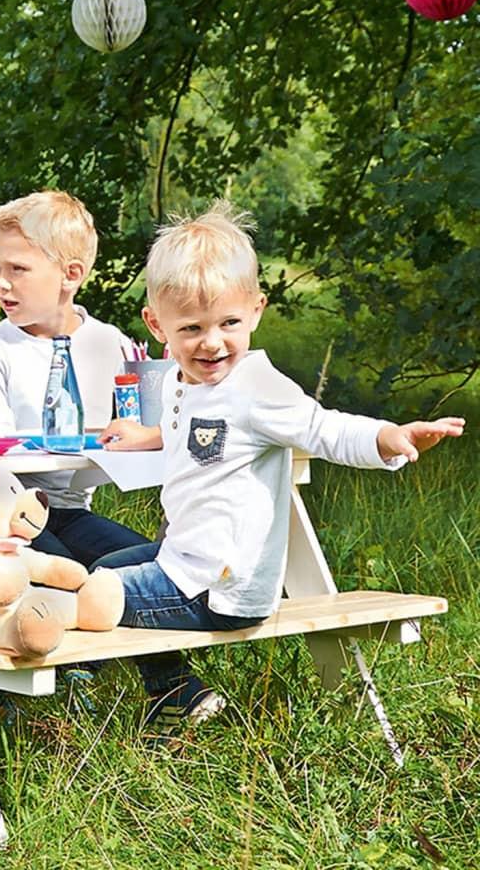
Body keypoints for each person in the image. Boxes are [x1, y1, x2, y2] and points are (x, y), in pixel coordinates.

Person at [95, 200, 465, 731]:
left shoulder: (256, 385)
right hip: (191, 557)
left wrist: (387, 438)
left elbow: (325, 428)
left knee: (97, 591)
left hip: (223, 585)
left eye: (229, 322)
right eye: (192, 328)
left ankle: (163, 690)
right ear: (158, 326)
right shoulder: (183, 382)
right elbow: (202, 432)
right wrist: (151, 435)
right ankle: (174, 692)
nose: (212, 342)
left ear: (257, 310)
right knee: (107, 564)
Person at [0, 190, 149, 565]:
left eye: (17, 269)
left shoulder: (109, 343)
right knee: (65, 577)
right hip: (10, 512)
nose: (1, 283)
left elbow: (141, 430)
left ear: (71, 275)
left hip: (71, 511)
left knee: (149, 566)